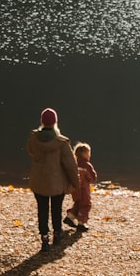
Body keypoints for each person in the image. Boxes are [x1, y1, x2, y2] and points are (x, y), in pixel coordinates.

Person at [27, 107, 78, 252]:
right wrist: (76, 182)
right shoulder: (61, 143)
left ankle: (44, 237)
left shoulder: (34, 138)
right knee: (56, 209)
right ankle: (57, 234)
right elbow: (70, 165)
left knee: (42, 210)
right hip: (57, 182)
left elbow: (30, 151)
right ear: (55, 122)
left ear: (42, 122)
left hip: (39, 181)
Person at [64, 142, 97, 232]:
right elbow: (93, 178)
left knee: (78, 203)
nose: (89, 155)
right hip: (84, 190)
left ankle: (70, 216)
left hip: (75, 189)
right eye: (88, 153)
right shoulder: (87, 165)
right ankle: (81, 223)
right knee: (86, 205)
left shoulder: (75, 164)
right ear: (83, 154)